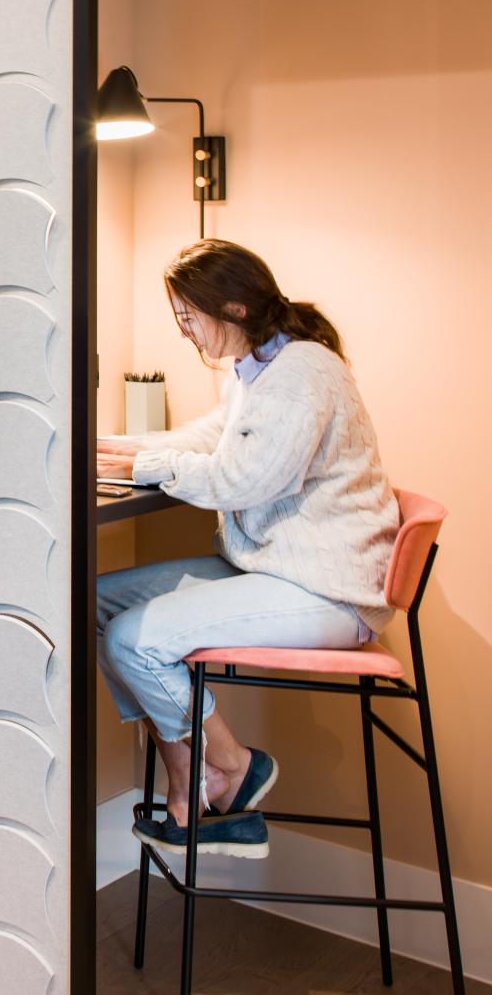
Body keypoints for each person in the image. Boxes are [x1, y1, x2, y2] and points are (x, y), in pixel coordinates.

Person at [96, 240, 398, 860]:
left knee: (132, 638)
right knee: (95, 604)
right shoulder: (260, 368)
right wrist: (113, 445)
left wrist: (152, 463)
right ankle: (197, 782)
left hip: (327, 589)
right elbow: (213, 437)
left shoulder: (303, 372)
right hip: (276, 568)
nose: (186, 332)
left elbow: (243, 479)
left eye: (190, 317)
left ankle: (231, 767)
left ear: (232, 307)